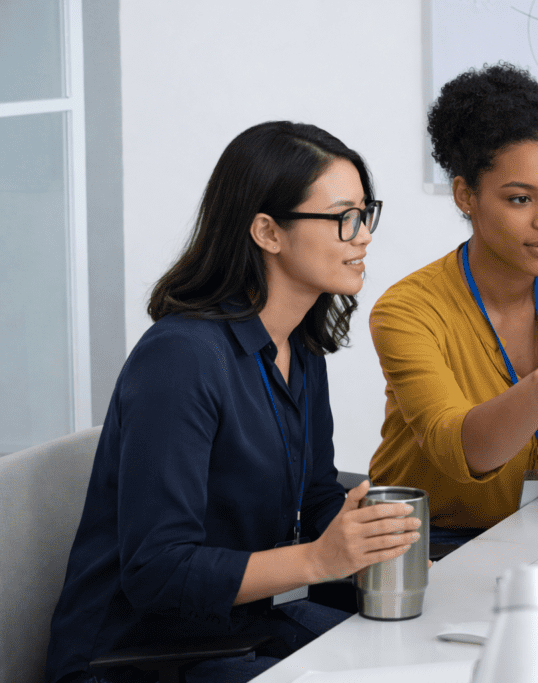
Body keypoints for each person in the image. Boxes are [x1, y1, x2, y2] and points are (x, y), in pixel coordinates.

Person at [46, 122, 421, 683]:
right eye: (344, 217)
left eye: (366, 214)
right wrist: (320, 560)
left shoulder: (298, 344)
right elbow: (157, 571)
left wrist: (382, 534)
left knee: (419, 651)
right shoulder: (180, 358)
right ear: (268, 232)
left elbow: (316, 493)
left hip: (235, 632)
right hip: (135, 658)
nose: (363, 235)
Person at [368, 63, 538, 543]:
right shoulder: (406, 311)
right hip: (426, 541)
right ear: (464, 196)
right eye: (520, 200)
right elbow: (461, 451)